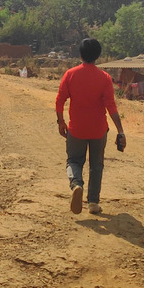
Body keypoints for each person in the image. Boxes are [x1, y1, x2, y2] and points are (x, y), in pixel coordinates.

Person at [55, 38, 126, 215]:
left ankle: (76, 184)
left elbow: (59, 101)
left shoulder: (70, 74)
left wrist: (61, 122)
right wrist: (120, 131)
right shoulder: (105, 78)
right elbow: (111, 107)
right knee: (97, 165)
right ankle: (93, 203)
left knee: (73, 160)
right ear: (98, 55)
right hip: (98, 130)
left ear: (80, 54)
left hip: (76, 129)